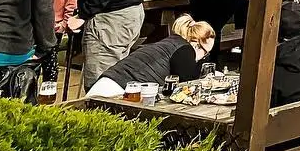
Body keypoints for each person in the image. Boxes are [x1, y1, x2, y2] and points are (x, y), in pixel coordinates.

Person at [84, 14, 215, 99]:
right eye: (205, 53)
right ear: (196, 44)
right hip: (118, 93)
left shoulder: (169, 43)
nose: (203, 58)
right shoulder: (185, 50)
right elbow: (187, 86)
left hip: (106, 84)